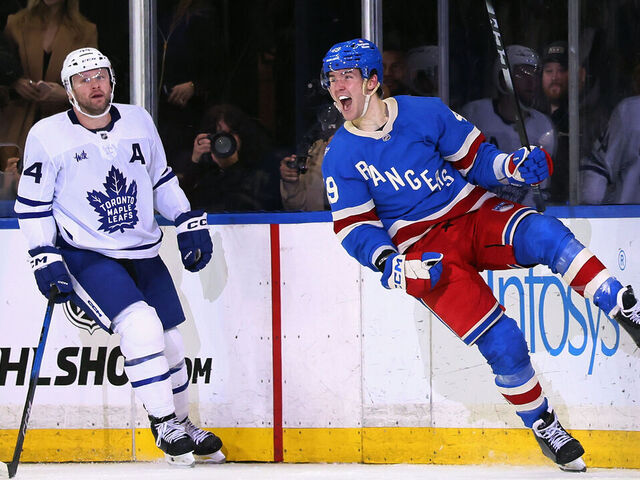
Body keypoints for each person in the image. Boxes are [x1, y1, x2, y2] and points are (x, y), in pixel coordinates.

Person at [320, 38, 640, 473]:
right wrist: (389, 263)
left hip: (473, 214)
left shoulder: (425, 111)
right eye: (333, 78)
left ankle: (623, 305)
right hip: (425, 253)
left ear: (372, 81)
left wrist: (512, 166)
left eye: (347, 76)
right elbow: (355, 227)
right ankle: (544, 424)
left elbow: (476, 159)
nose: (338, 87)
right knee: (504, 342)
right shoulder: (340, 154)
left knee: (544, 232)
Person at [13, 48, 225, 467]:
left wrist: (184, 219)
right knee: (141, 326)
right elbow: (32, 205)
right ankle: (164, 423)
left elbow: (160, 178)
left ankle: (183, 424)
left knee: (171, 340)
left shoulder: (139, 120)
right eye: (83, 79)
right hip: (88, 253)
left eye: (101, 76)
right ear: (69, 89)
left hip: (143, 249)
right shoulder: (47, 134)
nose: (94, 84)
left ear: (112, 79)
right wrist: (44, 254)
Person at [461, 45, 555, 207]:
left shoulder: (544, 127)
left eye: (534, 74)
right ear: (502, 78)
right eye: (522, 74)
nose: (531, 81)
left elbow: (541, 191)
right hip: (478, 214)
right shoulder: (474, 114)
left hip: (519, 218)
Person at [0, 0, 98, 152]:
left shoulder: (86, 31)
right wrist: (15, 82)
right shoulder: (16, 24)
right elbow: (4, 72)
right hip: (16, 126)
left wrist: (67, 95)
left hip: (63, 129)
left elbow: (94, 84)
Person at [178, 103, 282, 212]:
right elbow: (181, 206)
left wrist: (232, 166)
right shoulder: (201, 170)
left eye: (231, 133)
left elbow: (252, 208)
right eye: (219, 135)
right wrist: (195, 163)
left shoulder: (259, 169)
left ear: (242, 135)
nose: (224, 141)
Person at [540, 40, 609, 205]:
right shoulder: (530, 119)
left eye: (562, 70)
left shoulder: (598, 120)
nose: (555, 77)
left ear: (581, 75)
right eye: (549, 70)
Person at [280, 103, 343, 211]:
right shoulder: (315, 150)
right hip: (318, 224)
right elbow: (296, 207)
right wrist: (290, 182)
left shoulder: (366, 147)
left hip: (354, 224)